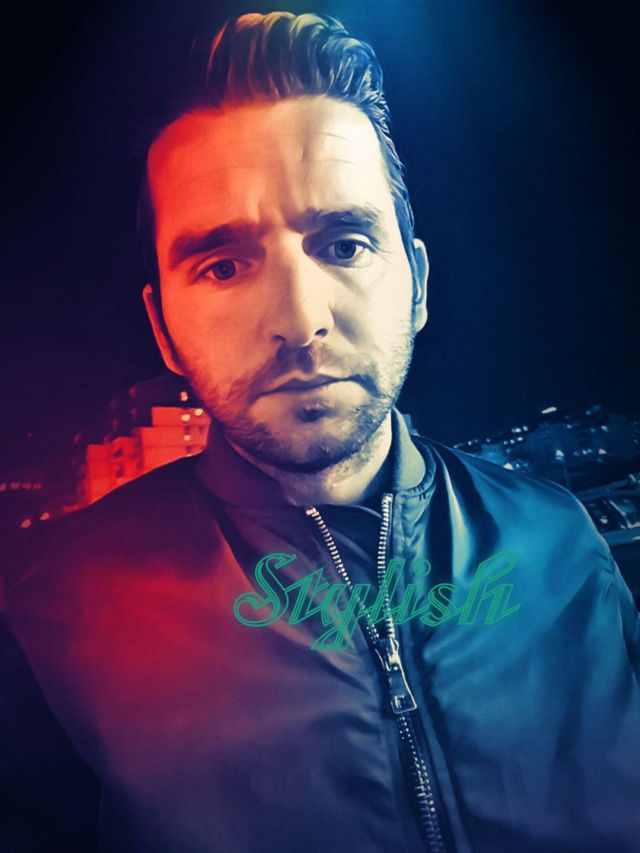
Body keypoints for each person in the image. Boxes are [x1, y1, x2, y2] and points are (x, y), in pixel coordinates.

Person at [3, 11, 639, 853]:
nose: (301, 320)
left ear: (416, 283)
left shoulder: (560, 547)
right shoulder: (55, 621)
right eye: (224, 264)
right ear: (164, 331)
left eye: (344, 244)